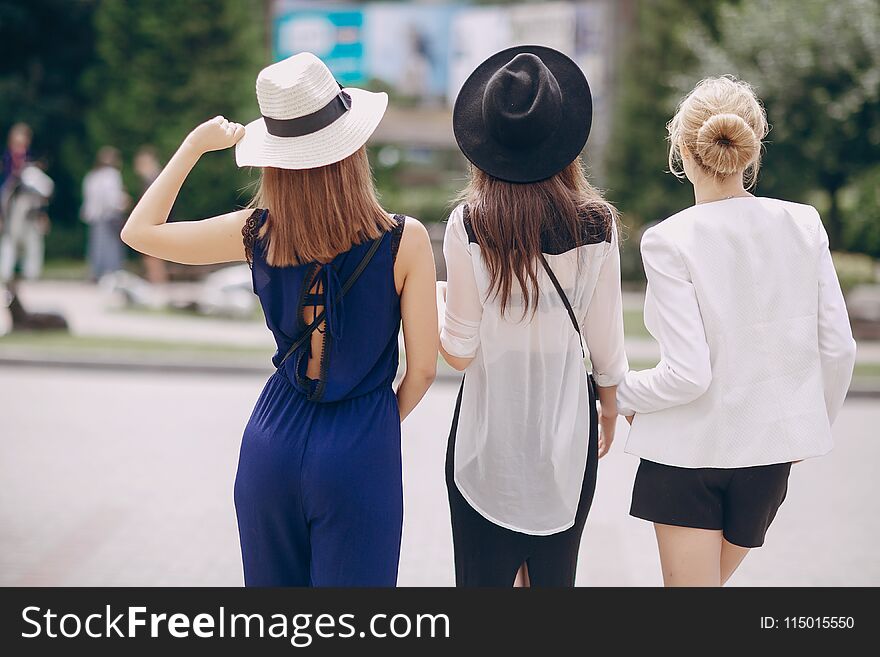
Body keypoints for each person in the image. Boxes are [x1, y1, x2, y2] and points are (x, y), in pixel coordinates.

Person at [121, 52, 438, 586]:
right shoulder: (405, 241)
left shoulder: (255, 232)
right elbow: (424, 368)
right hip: (360, 443)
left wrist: (194, 146)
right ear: (353, 149)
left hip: (272, 437)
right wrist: (372, 427)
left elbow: (140, 232)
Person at [616, 76, 857, 587]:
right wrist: (807, 428)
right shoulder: (804, 223)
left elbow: (687, 375)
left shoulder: (667, 239)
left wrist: (618, 390)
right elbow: (838, 347)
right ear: (752, 147)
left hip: (685, 456)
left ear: (682, 148)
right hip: (769, 456)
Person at [438, 46, 627, 587]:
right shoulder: (596, 224)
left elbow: (460, 351)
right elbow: (607, 346)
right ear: (563, 139)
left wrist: (436, 300)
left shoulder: (470, 223)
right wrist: (607, 411)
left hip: (484, 442)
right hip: (568, 438)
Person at [0, 161, 54, 282]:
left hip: (31, 213)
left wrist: (42, 214)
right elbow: (7, 198)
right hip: (17, 213)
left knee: (33, 243)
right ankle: (7, 272)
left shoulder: (34, 176)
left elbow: (46, 195)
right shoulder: (18, 178)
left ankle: (30, 273)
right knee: (11, 242)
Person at [81, 146, 129, 281]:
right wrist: (123, 203)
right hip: (109, 215)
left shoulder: (92, 176)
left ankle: (96, 272)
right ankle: (111, 273)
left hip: (95, 216)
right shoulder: (112, 175)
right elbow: (112, 198)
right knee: (111, 246)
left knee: (96, 245)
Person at [133, 146, 169, 285]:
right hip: (157, 220)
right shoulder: (155, 177)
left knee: (153, 255)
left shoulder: (153, 179)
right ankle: (157, 281)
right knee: (152, 255)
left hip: (155, 220)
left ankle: (158, 282)